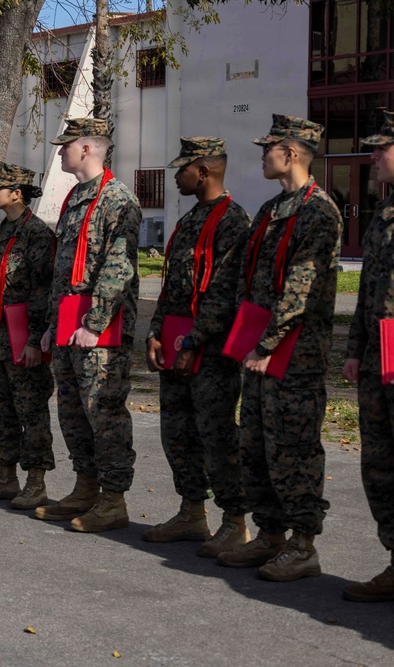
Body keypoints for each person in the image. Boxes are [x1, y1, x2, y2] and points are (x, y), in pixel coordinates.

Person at [216, 115, 341, 582]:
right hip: (259, 349)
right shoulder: (272, 208)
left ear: (290, 153)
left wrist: (268, 343)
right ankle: (270, 534)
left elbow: (301, 287)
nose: (262, 157)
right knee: (256, 444)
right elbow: (248, 279)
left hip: (294, 353)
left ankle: (303, 544)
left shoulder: (318, 211)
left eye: (267, 149)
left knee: (294, 448)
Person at [143, 137, 252, 556]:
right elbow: (171, 285)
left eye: (182, 169)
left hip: (211, 351)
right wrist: (155, 332)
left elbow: (224, 293)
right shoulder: (190, 220)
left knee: (216, 435)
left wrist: (195, 341)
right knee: (178, 432)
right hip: (177, 343)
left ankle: (235, 521)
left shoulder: (233, 222)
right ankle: (192, 512)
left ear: (203, 172)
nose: (176, 176)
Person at [34, 117, 140, 533]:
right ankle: (85, 486)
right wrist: (52, 324)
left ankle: (113, 499)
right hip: (67, 322)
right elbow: (64, 271)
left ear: (86, 148)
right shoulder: (76, 197)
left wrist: (94, 323)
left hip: (99, 328)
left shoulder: (117, 199)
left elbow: (117, 267)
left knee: (103, 411)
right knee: (73, 410)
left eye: (66, 146)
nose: (60, 152)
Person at [0, 162, 55, 510]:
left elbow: (43, 290)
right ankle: (6, 477)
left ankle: (36, 482)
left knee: (30, 411)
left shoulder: (37, 234)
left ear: (17, 193)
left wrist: (36, 341)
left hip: (22, 341)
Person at [341, 110, 394, 601]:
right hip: (381, 354)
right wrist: (356, 350)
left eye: (382, 148)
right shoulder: (384, 213)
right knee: (379, 462)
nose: (373, 156)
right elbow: (367, 292)